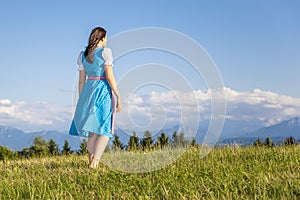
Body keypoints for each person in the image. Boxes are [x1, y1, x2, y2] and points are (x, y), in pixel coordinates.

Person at [69, 27, 122, 169]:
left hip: (87, 90)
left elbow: (81, 81)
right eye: (106, 38)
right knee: (105, 129)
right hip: (102, 90)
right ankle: (95, 163)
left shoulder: (83, 55)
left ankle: (91, 162)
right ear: (103, 38)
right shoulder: (106, 52)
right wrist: (118, 95)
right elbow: (110, 77)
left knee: (92, 130)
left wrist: (82, 99)